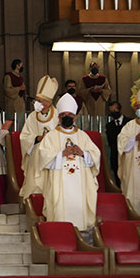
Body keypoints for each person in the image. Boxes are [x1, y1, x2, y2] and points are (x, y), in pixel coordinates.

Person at [37, 92, 100, 233]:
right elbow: (44, 159)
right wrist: (62, 154)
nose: (67, 117)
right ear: (59, 117)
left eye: (70, 115)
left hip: (81, 185)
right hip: (59, 183)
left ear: (75, 117)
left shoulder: (82, 136)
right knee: (60, 213)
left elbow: (96, 156)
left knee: (80, 215)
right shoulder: (51, 136)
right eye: (63, 115)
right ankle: (61, 237)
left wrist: (83, 153)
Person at [18, 76, 59, 199]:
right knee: (37, 155)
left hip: (54, 151)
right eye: (37, 100)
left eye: (41, 101)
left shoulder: (58, 115)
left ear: (49, 103)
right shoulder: (32, 117)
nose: (38, 104)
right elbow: (24, 136)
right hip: (35, 151)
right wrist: (37, 139)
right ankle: (34, 195)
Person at [106, 100, 130, 185]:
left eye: (115, 110)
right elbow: (110, 142)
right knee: (118, 181)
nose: (114, 113)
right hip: (115, 157)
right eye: (111, 111)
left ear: (120, 110)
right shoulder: (109, 126)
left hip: (127, 155)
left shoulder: (129, 123)